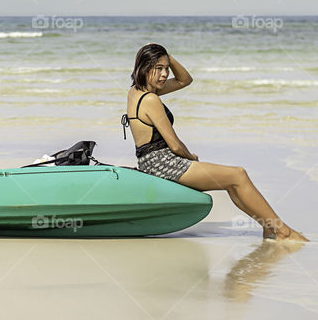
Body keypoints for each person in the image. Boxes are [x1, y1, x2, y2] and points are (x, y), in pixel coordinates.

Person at [122, 43, 307, 241]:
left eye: (166, 68)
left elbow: (185, 80)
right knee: (238, 175)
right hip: (163, 163)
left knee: (233, 180)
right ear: (145, 67)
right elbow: (175, 145)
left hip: (150, 162)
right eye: (158, 68)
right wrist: (191, 157)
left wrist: (167, 55)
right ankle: (282, 231)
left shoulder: (136, 91)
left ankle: (269, 228)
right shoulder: (151, 99)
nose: (165, 74)